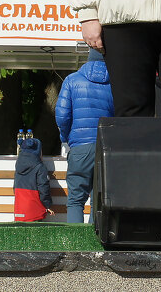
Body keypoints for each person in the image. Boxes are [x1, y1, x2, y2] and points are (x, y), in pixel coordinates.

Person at [54, 49, 114, 223]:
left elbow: (62, 115)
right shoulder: (116, 83)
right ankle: (95, 245)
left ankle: (75, 247)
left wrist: (65, 137)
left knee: (75, 200)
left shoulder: (72, 80)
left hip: (80, 147)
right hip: (106, 148)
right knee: (99, 200)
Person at [13, 137, 53, 222]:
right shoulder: (40, 167)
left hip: (19, 210)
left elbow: (14, 188)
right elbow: (43, 188)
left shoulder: (18, 166)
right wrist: (47, 205)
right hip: (35, 211)